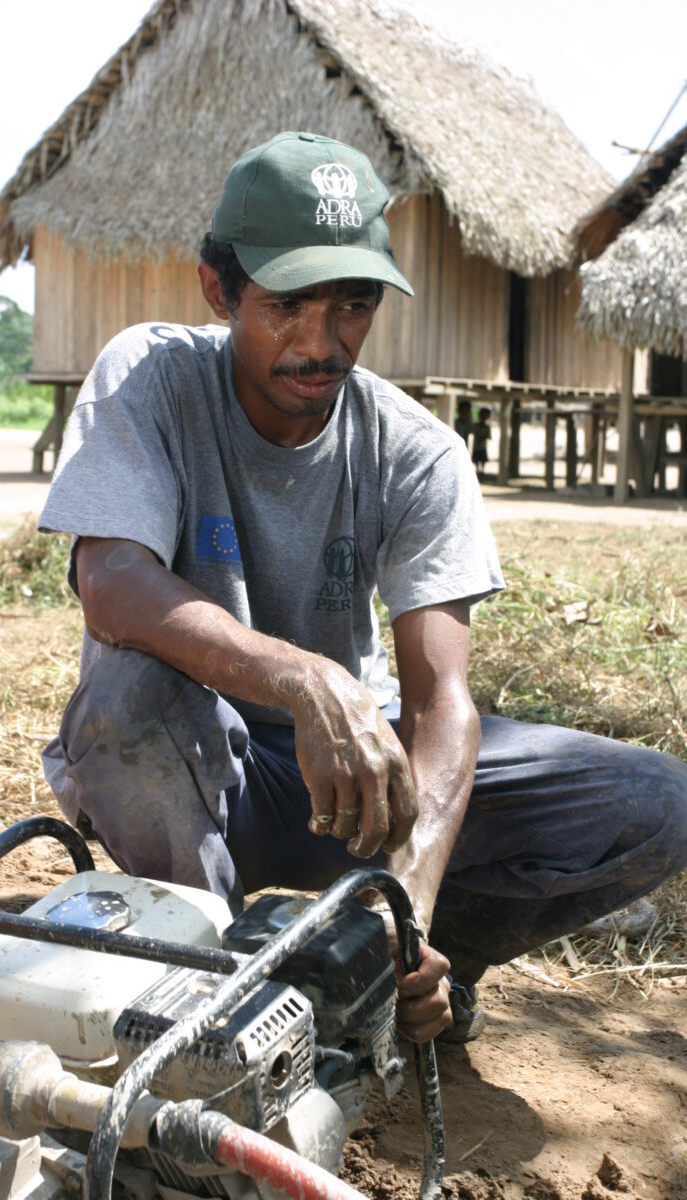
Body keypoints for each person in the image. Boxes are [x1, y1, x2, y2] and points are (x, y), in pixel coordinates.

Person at [39, 131, 687, 1046]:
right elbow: (110, 583)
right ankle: (210, 986)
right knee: (125, 695)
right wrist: (307, 678)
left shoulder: (417, 451)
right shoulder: (152, 376)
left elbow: (439, 701)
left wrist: (404, 901)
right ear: (218, 290)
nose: (321, 342)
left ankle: (398, 971)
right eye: (286, 305)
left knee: (653, 802)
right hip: (200, 774)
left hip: (357, 789)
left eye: (353, 303)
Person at [471, 406, 492, 480]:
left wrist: (483, 437)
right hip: (476, 446)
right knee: (477, 459)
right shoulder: (476, 426)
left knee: (482, 459)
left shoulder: (486, 427)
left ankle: (482, 471)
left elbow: (489, 437)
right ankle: (478, 471)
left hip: (482, 446)